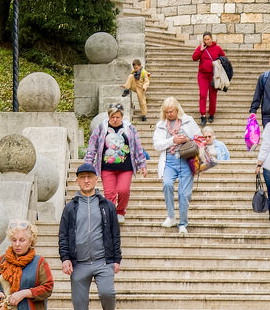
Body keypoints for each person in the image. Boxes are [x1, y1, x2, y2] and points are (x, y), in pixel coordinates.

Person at [58, 162, 121, 310]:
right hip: (79, 264)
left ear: (96, 179)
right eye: (82, 177)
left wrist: (116, 259)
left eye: (89, 177)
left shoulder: (107, 206)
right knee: (79, 302)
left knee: (107, 293)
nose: (86, 180)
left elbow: (115, 233)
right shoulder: (70, 208)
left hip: (103, 261)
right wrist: (65, 258)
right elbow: (63, 235)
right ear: (77, 181)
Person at [84, 103, 148, 224]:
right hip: (107, 167)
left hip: (126, 167)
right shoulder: (101, 128)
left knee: (123, 190)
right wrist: (88, 164)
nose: (114, 119)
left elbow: (138, 147)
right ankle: (111, 214)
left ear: (122, 117)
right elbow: (92, 147)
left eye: (117, 117)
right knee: (109, 193)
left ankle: (120, 211)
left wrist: (142, 164)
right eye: (112, 117)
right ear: (108, 116)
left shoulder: (130, 129)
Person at [152, 96, 202, 234]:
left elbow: (199, 137)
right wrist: (172, 140)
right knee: (167, 184)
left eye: (172, 111)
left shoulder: (188, 120)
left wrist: (187, 139)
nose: (170, 114)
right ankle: (171, 216)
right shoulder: (161, 125)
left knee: (184, 193)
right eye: (167, 112)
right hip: (169, 160)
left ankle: (183, 223)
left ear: (177, 109)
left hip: (186, 159)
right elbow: (157, 144)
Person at [191, 32, 226, 126]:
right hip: (203, 75)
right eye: (205, 40)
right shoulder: (201, 47)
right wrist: (201, 50)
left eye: (208, 39)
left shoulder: (217, 48)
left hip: (214, 75)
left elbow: (224, 57)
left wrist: (220, 60)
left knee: (213, 95)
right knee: (202, 94)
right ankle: (202, 115)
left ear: (211, 39)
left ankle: (211, 114)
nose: (206, 41)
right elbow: (194, 58)